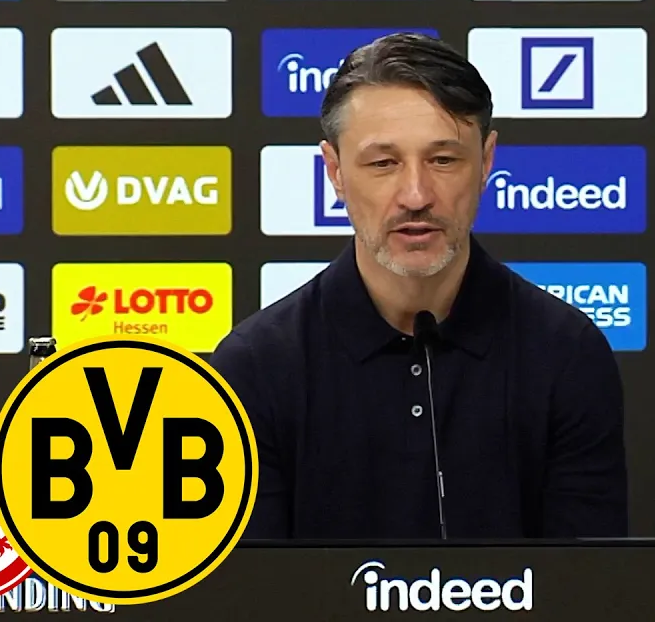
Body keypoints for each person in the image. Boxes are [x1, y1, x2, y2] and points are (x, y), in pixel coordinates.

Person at [209, 32, 628, 540]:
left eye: (443, 160)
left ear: (487, 161)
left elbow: (590, 579)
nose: (415, 195)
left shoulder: (566, 352)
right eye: (383, 163)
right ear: (335, 172)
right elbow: (250, 586)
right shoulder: (253, 367)